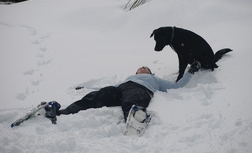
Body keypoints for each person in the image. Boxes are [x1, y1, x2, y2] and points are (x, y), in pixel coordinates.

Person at [49, 61, 201, 122]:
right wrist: (88, 89)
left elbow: (177, 86)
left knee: (131, 100)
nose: (142, 68)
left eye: (146, 68)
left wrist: (191, 71)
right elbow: (106, 87)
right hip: (122, 88)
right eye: (140, 68)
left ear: (150, 72)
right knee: (100, 94)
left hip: (140, 90)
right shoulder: (129, 77)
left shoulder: (155, 80)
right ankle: (63, 112)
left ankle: (135, 118)